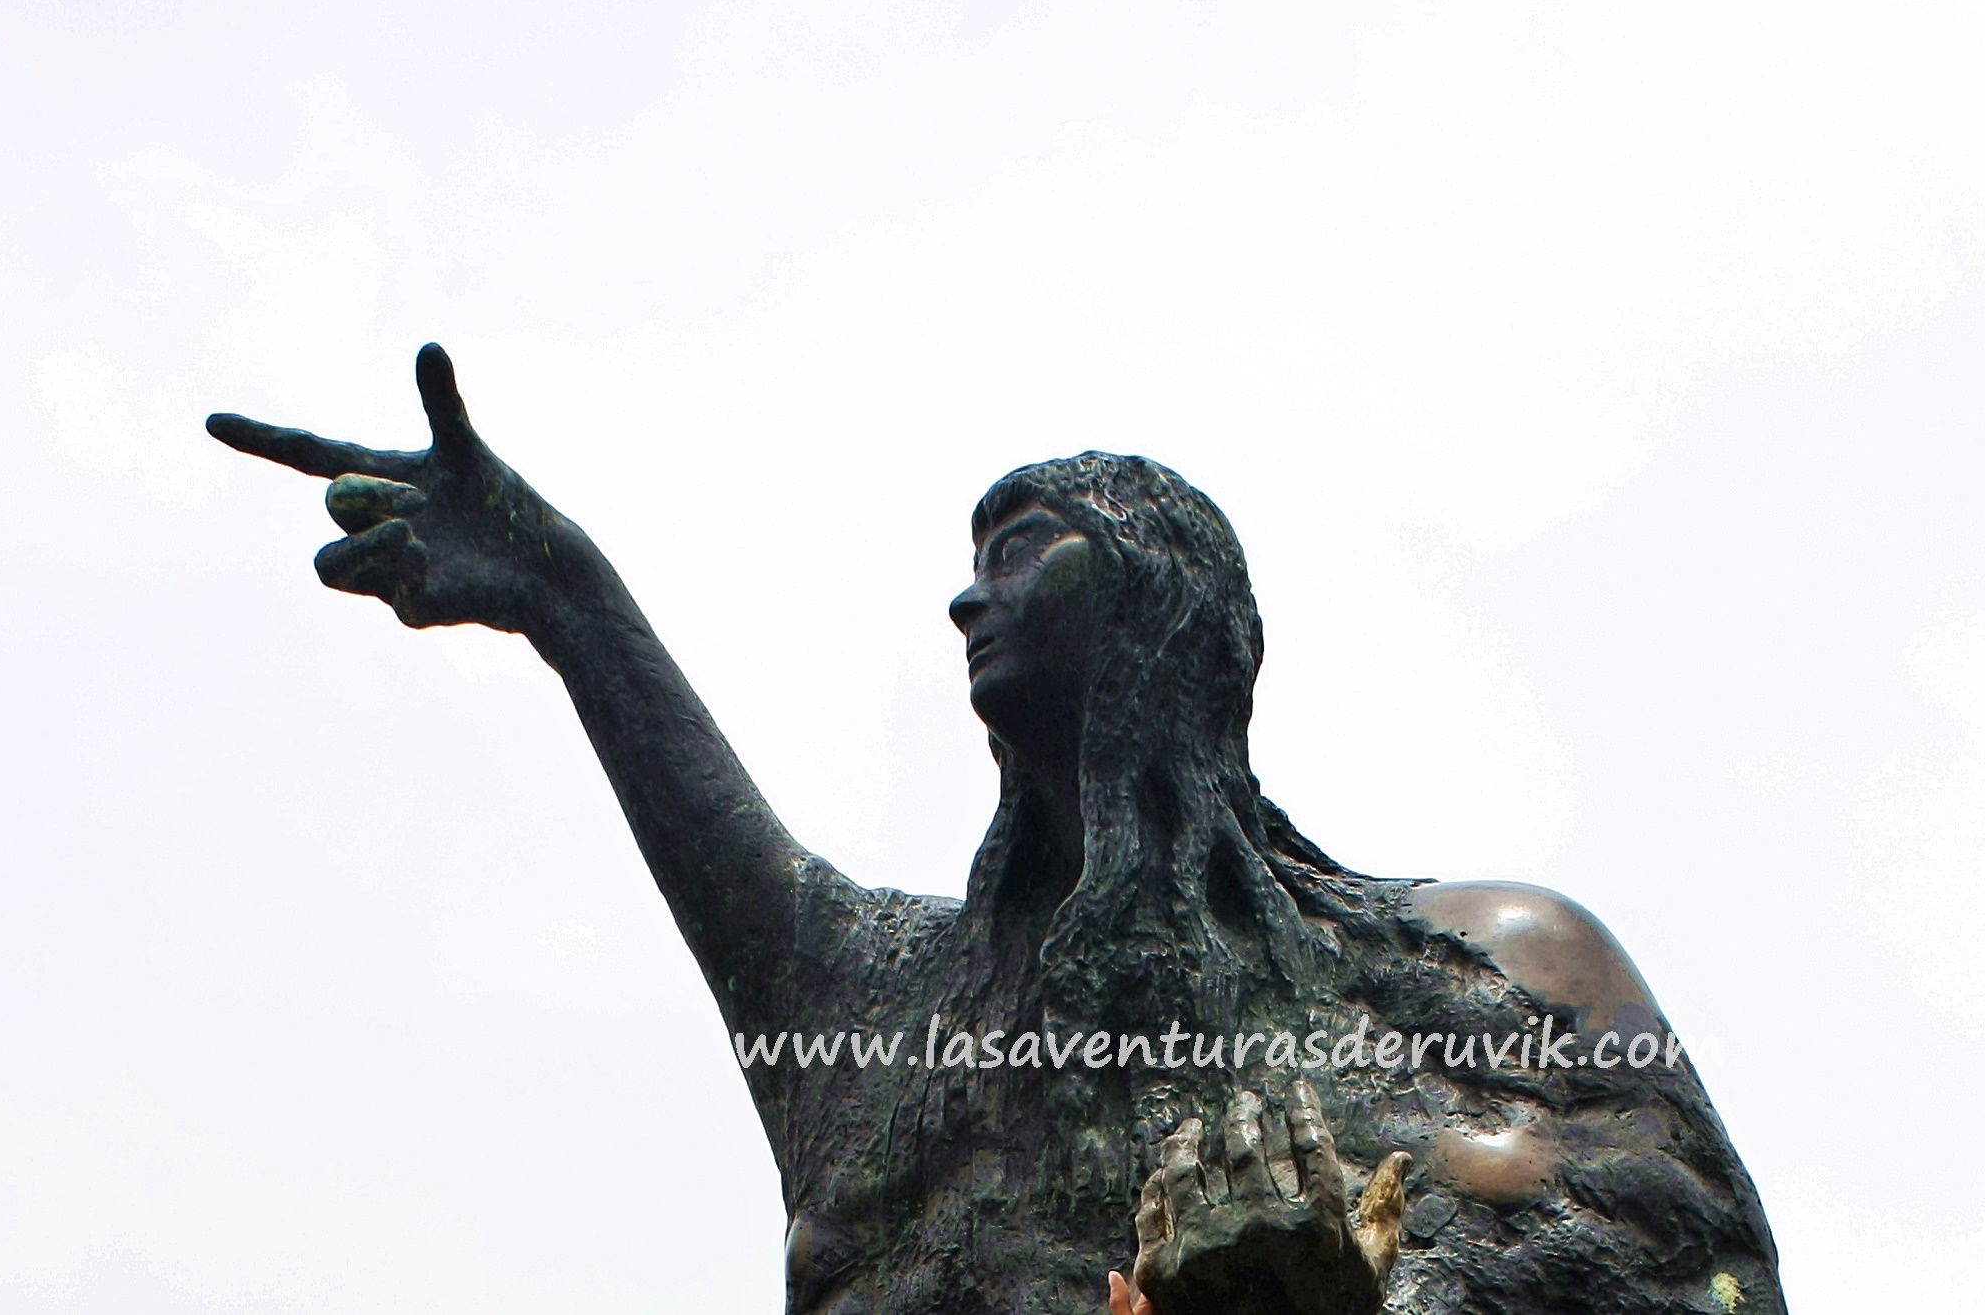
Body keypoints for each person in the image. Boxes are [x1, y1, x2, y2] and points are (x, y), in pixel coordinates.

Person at [210, 345, 1784, 1314]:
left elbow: (1694, 1271)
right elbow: (740, 873)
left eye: (1024, 552)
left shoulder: (1491, 956)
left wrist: (1368, 1285)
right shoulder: (892, 1016)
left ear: (1162, 596)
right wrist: (562, 594)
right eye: (974, 561)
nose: (970, 595)